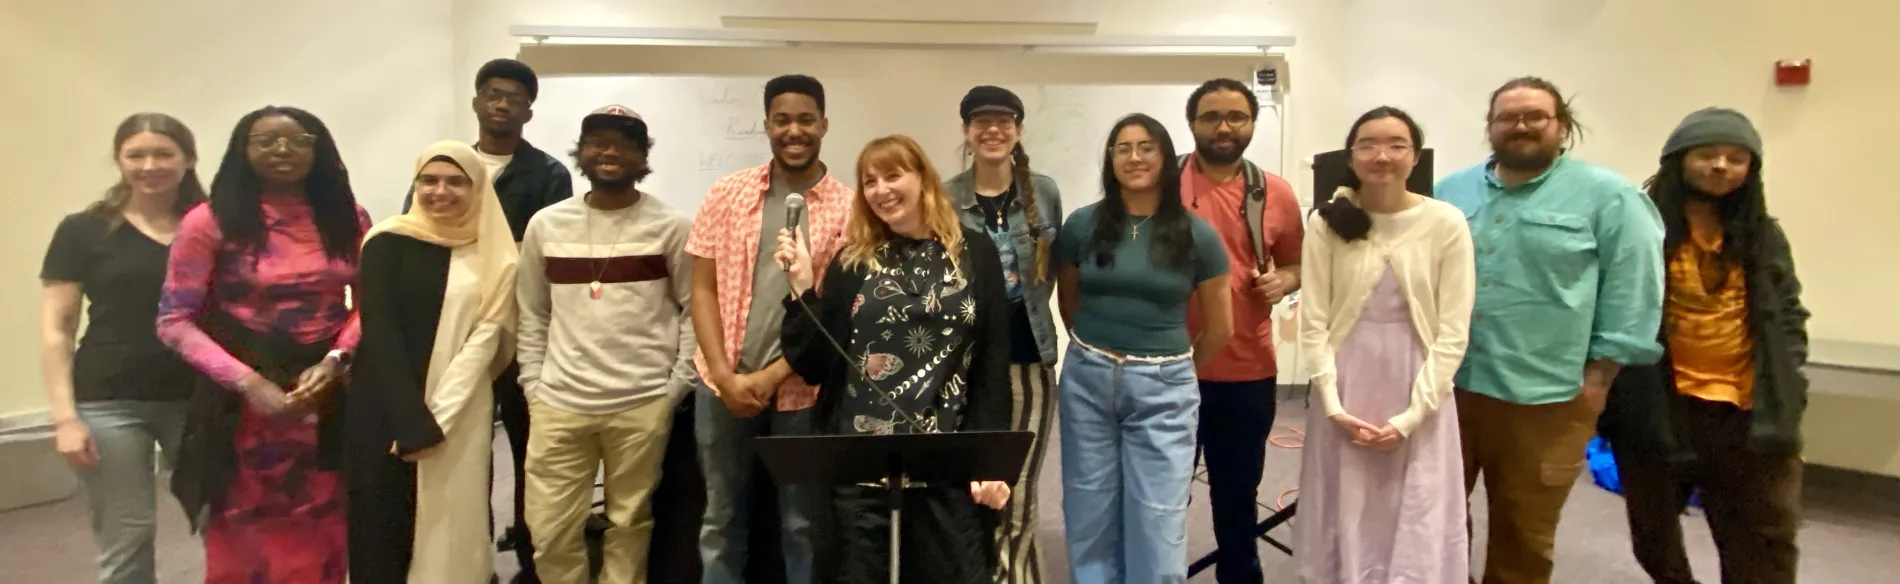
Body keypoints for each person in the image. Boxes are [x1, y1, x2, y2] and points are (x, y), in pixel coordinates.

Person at [1436, 76, 1666, 584]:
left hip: (1548, 397)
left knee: (1524, 534)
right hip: (1449, 389)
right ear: (1490, 127)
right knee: (1436, 522)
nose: (1520, 126)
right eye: (1507, 117)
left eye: (1535, 116)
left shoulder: (1611, 197)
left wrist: (1600, 379)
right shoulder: (1450, 191)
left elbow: (1635, 294)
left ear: (1561, 126)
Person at [776, 134, 1014, 584]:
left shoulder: (976, 253)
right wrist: (802, 291)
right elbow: (814, 363)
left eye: (893, 175)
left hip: (945, 463)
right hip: (860, 468)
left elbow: (991, 364)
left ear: (923, 178)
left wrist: (991, 459)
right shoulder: (854, 261)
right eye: (869, 181)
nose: (881, 190)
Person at [159, 106, 371, 584]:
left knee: (324, 522)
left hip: (325, 393)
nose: (282, 150)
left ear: (318, 150)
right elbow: (174, 320)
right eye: (266, 141)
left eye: (297, 141)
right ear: (243, 149)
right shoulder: (209, 221)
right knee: (246, 532)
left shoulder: (347, 217)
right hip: (242, 402)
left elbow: (369, 305)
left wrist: (337, 359)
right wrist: (248, 383)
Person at [1598, 108, 1809, 584]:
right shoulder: (1643, 227)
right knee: (1653, 535)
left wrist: (1791, 383)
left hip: (1746, 410)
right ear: (1678, 160)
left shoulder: (1762, 234)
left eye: (1736, 158)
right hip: (1659, 404)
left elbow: (1789, 313)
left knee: (1762, 539)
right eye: (1708, 154)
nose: (1720, 166)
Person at [401, 59, 574, 581]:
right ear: (476, 101)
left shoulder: (548, 173)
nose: (502, 105)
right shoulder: (446, 167)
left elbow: (550, 251)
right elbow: (417, 236)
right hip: (450, 332)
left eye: (514, 98)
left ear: (529, 110)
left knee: (529, 452)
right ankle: (471, 561)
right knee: (461, 450)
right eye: (493, 95)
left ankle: (528, 557)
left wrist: (485, 251)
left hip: (523, 333)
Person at [515, 104, 697, 584]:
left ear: (643, 156)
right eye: (598, 141)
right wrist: (534, 385)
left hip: (641, 405)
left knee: (629, 525)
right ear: (582, 152)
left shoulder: (672, 227)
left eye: (624, 142)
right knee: (549, 530)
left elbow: (695, 311)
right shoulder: (546, 225)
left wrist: (673, 390)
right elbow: (531, 312)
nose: (609, 151)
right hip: (559, 403)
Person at [1291, 106, 1474, 583]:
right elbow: (1313, 322)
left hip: (1420, 381)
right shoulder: (1327, 222)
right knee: (1344, 498)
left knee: (1415, 502)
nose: (1382, 155)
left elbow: (1454, 330)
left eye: (1397, 145)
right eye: (1368, 144)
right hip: (1345, 379)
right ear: (1351, 157)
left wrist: (1414, 414)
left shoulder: (1446, 221)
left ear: (1415, 156)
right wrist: (1331, 403)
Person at [1054, 114, 1235, 584]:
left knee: (1158, 515)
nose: (1134, 157)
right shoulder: (1081, 225)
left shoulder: (1198, 234)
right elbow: (1069, 305)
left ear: (1165, 157)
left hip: (1164, 386)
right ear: (1110, 160)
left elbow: (1220, 326)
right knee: (1088, 503)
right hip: (1088, 377)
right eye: (1122, 148)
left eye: (1146, 147)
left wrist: (1171, 371)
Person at [687, 73, 853, 584]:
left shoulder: (849, 207)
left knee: (802, 523)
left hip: (802, 391)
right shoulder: (727, 192)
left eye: (806, 119)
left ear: (824, 124)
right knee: (721, 517)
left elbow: (836, 313)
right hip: (721, 383)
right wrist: (724, 374)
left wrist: (769, 377)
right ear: (766, 125)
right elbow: (702, 289)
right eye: (782, 120)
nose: (794, 130)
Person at [39, 112, 207, 584]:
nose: (149, 164)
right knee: (127, 534)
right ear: (119, 160)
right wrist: (65, 418)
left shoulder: (212, 227)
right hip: (109, 401)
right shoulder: (83, 229)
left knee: (224, 521)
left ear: (188, 159)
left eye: (163, 153)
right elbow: (57, 327)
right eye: (136, 154)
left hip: (198, 397)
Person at [347, 141, 520, 583]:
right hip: (386, 400)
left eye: (456, 181)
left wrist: (440, 413)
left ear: (477, 187)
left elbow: (489, 335)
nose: (440, 191)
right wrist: (409, 418)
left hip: (462, 405)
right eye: (429, 180)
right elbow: (379, 331)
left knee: (453, 509)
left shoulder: (495, 253)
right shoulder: (386, 240)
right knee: (384, 513)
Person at [1178, 77, 1305, 584]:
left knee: (1235, 493)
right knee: (1163, 491)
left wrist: (1286, 280)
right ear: (1192, 124)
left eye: (1237, 116)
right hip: (1168, 369)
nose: (1224, 126)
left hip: (1247, 370)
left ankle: (1239, 572)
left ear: (1253, 124)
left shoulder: (1274, 192)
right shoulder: (1161, 187)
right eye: (1211, 116)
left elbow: (1298, 263)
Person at [940, 85, 1062, 584]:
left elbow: (1053, 271)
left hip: (1029, 361)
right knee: (971, 486)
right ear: (967, 132)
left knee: (1019, 488)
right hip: (966, 368)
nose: (993, 129)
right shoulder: (946, 197)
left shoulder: (1045, 190)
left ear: (1018, 129)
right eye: (981, 121)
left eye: (1004, 120)